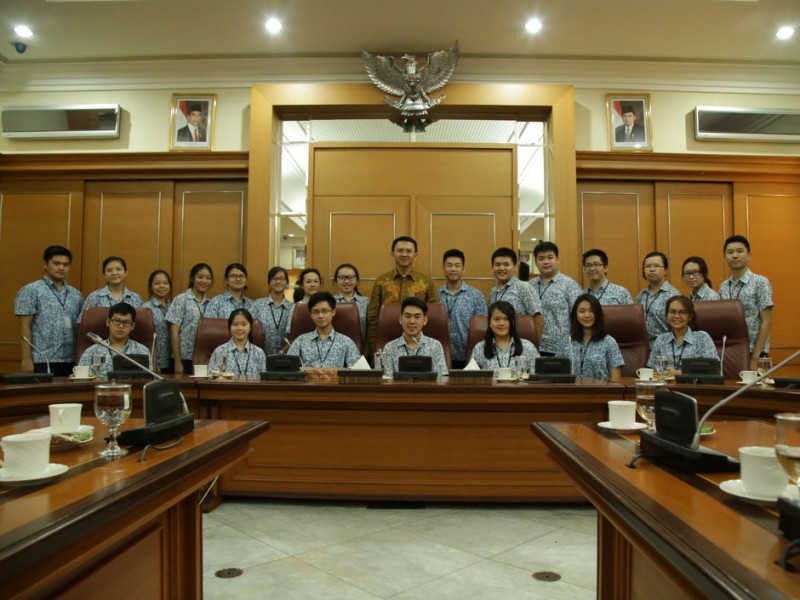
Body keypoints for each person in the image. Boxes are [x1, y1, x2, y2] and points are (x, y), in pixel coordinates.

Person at [15, 245, 84, 375]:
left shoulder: (76, 294)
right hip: (42, 360)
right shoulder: (30, 291)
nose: (61, 268)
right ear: (45, 264)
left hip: (72, 360)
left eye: (66, 264)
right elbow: (24, 327)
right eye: (56, 264)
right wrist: (26, 359)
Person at [367, 236, 438, 353]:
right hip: (386, 339)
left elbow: (433, 314)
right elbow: (373, 315)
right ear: (392, 254)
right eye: (400, 250)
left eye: (409, 251)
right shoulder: (381, 281)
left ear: (415, 255)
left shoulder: (426, 282)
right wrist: (373, 346)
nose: (404, 254)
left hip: (416, 341)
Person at [719, 235, 773, 370]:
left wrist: (755, 357)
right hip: (731, 350)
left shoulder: (760, 282)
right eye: (730, 252)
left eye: (739, 251)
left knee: (755, 384)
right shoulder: (724, 286)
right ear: (725, 257)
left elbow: (766, 321)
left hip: (754, 351)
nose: (734, 256)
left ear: (749, 255)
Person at [530, 241, 582, 356]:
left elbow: (578, 318)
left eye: (550, 257)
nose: (546, 262)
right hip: (533, 348)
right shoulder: (528, 286)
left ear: (557, 259)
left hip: (561, 350)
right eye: (541, 258)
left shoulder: (570, 285)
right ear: (536, 262)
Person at [437, 249, 488, 369]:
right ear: (443, 268)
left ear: (463, 269)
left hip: (469, 356)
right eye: (449, 265)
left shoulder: (476, 295)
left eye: (457, 265)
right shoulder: (435, 295)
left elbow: (482, 328)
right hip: (441, 356)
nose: (453, 269)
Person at [556, 294, 624, 381]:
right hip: (570, 389)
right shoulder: (566, 341)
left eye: (592, 311)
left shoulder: (609, 342)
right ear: (575, 314)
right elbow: (557, 376)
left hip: (600, 389)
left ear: (598, 314)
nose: (587, 315)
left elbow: (616, 381)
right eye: (582, 311)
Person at [77, 303, 152, 378]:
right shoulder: (92, 351)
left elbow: (149, 380)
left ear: (132, 326)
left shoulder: (142, 351)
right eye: (116, 321)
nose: (121, 326)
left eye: (126, 322)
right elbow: (80, 379)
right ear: (108, 322)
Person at [286, 292, 360, 368]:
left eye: (324, 311)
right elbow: (288, 368)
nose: (320, 316)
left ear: (333, 312)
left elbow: (358, 372)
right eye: (316, 312)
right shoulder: (300, 341)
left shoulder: (346, 342)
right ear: (311, 315)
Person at [647, 295, 718, 374]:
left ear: (690, 316)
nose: (676, 316)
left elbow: (714, 369)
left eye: (682, 312)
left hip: (694, 382)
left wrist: (681, 373)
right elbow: (652, 370)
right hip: (665, 381)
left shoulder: (702, 338)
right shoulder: (661, 340)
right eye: (673, 312)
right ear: (667, 315)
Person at [381, 297, 448, 378]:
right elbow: (387, 381)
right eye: (407, 316)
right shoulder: (389, 348)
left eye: (417, 317)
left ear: (424, 320)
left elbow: (442, 379)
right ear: (400, 319)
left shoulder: (435, 346)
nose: (412, 321)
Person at [469, 301, 539, 376]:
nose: (501, 323)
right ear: (489, 323)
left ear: (512, 322)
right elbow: (470, 378)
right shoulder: (479, 348)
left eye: (506, 319)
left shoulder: (528, 347)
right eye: (496, 319)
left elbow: (538, 377)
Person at [166, 262, 213, 374]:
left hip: (204, 357)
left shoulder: (211, 303)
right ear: (192, 278)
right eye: (200, 277)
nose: (204, 281)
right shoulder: (181, 300)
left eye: (208, 278)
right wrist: (177, 361)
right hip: (184, 357)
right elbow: (174, 331)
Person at [488, 247, 543, 341]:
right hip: (497, 343)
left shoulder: (524, 288)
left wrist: (535, 344)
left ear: (515, 266)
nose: (501, 268)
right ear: (492, 267)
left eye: (506, 264)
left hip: (521, 344)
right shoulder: (493, 291)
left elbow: (538, 318)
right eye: (497, 265)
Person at [635, 251, 680, 346]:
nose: (651, 269)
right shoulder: (641, 295)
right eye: (648, 266)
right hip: (642, 346)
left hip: (666, 345)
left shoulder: (674, 296)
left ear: (665, 270)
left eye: (656, 266)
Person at [79, 256, 143, 321]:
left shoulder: (136, 298)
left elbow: (140, 323)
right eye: (109, 270)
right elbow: (82, 323)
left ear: (126, 273)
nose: (114, 273)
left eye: (118, 269)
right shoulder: (94, 297)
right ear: (104, 275)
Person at [208, 308, 267, 375]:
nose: (239, 328)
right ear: (229, 327)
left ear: (250, 327)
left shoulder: (259, 353)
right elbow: (214, 378)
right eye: (235, 324)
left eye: (244, 324)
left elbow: (263, 380)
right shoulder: (221, 351)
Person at [252, 266, 295, 355]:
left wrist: (283, 351)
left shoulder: (293, 307)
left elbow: (294, 335)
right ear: (269, 283)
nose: (278, 281)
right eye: (274, 279)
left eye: (281, 279)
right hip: (259, 355)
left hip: (286, 356)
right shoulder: (257, 305)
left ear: (286, 283)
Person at [144, 269, 173, 373]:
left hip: (173, 360)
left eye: (165, 283)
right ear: (150, 286)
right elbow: (145, 339)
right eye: (157, 283)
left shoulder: (174, 306)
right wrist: (152, 362)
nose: (162, 286)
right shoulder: (146, 309)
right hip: (157, 362)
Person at [332, 263, 369, 342]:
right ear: (336, 280)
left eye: (351, 278)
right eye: (342, 278)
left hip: (360, 345)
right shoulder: (329, 302)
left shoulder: (366, 302)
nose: (346, 281)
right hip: (335, 344)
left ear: (357, 280)